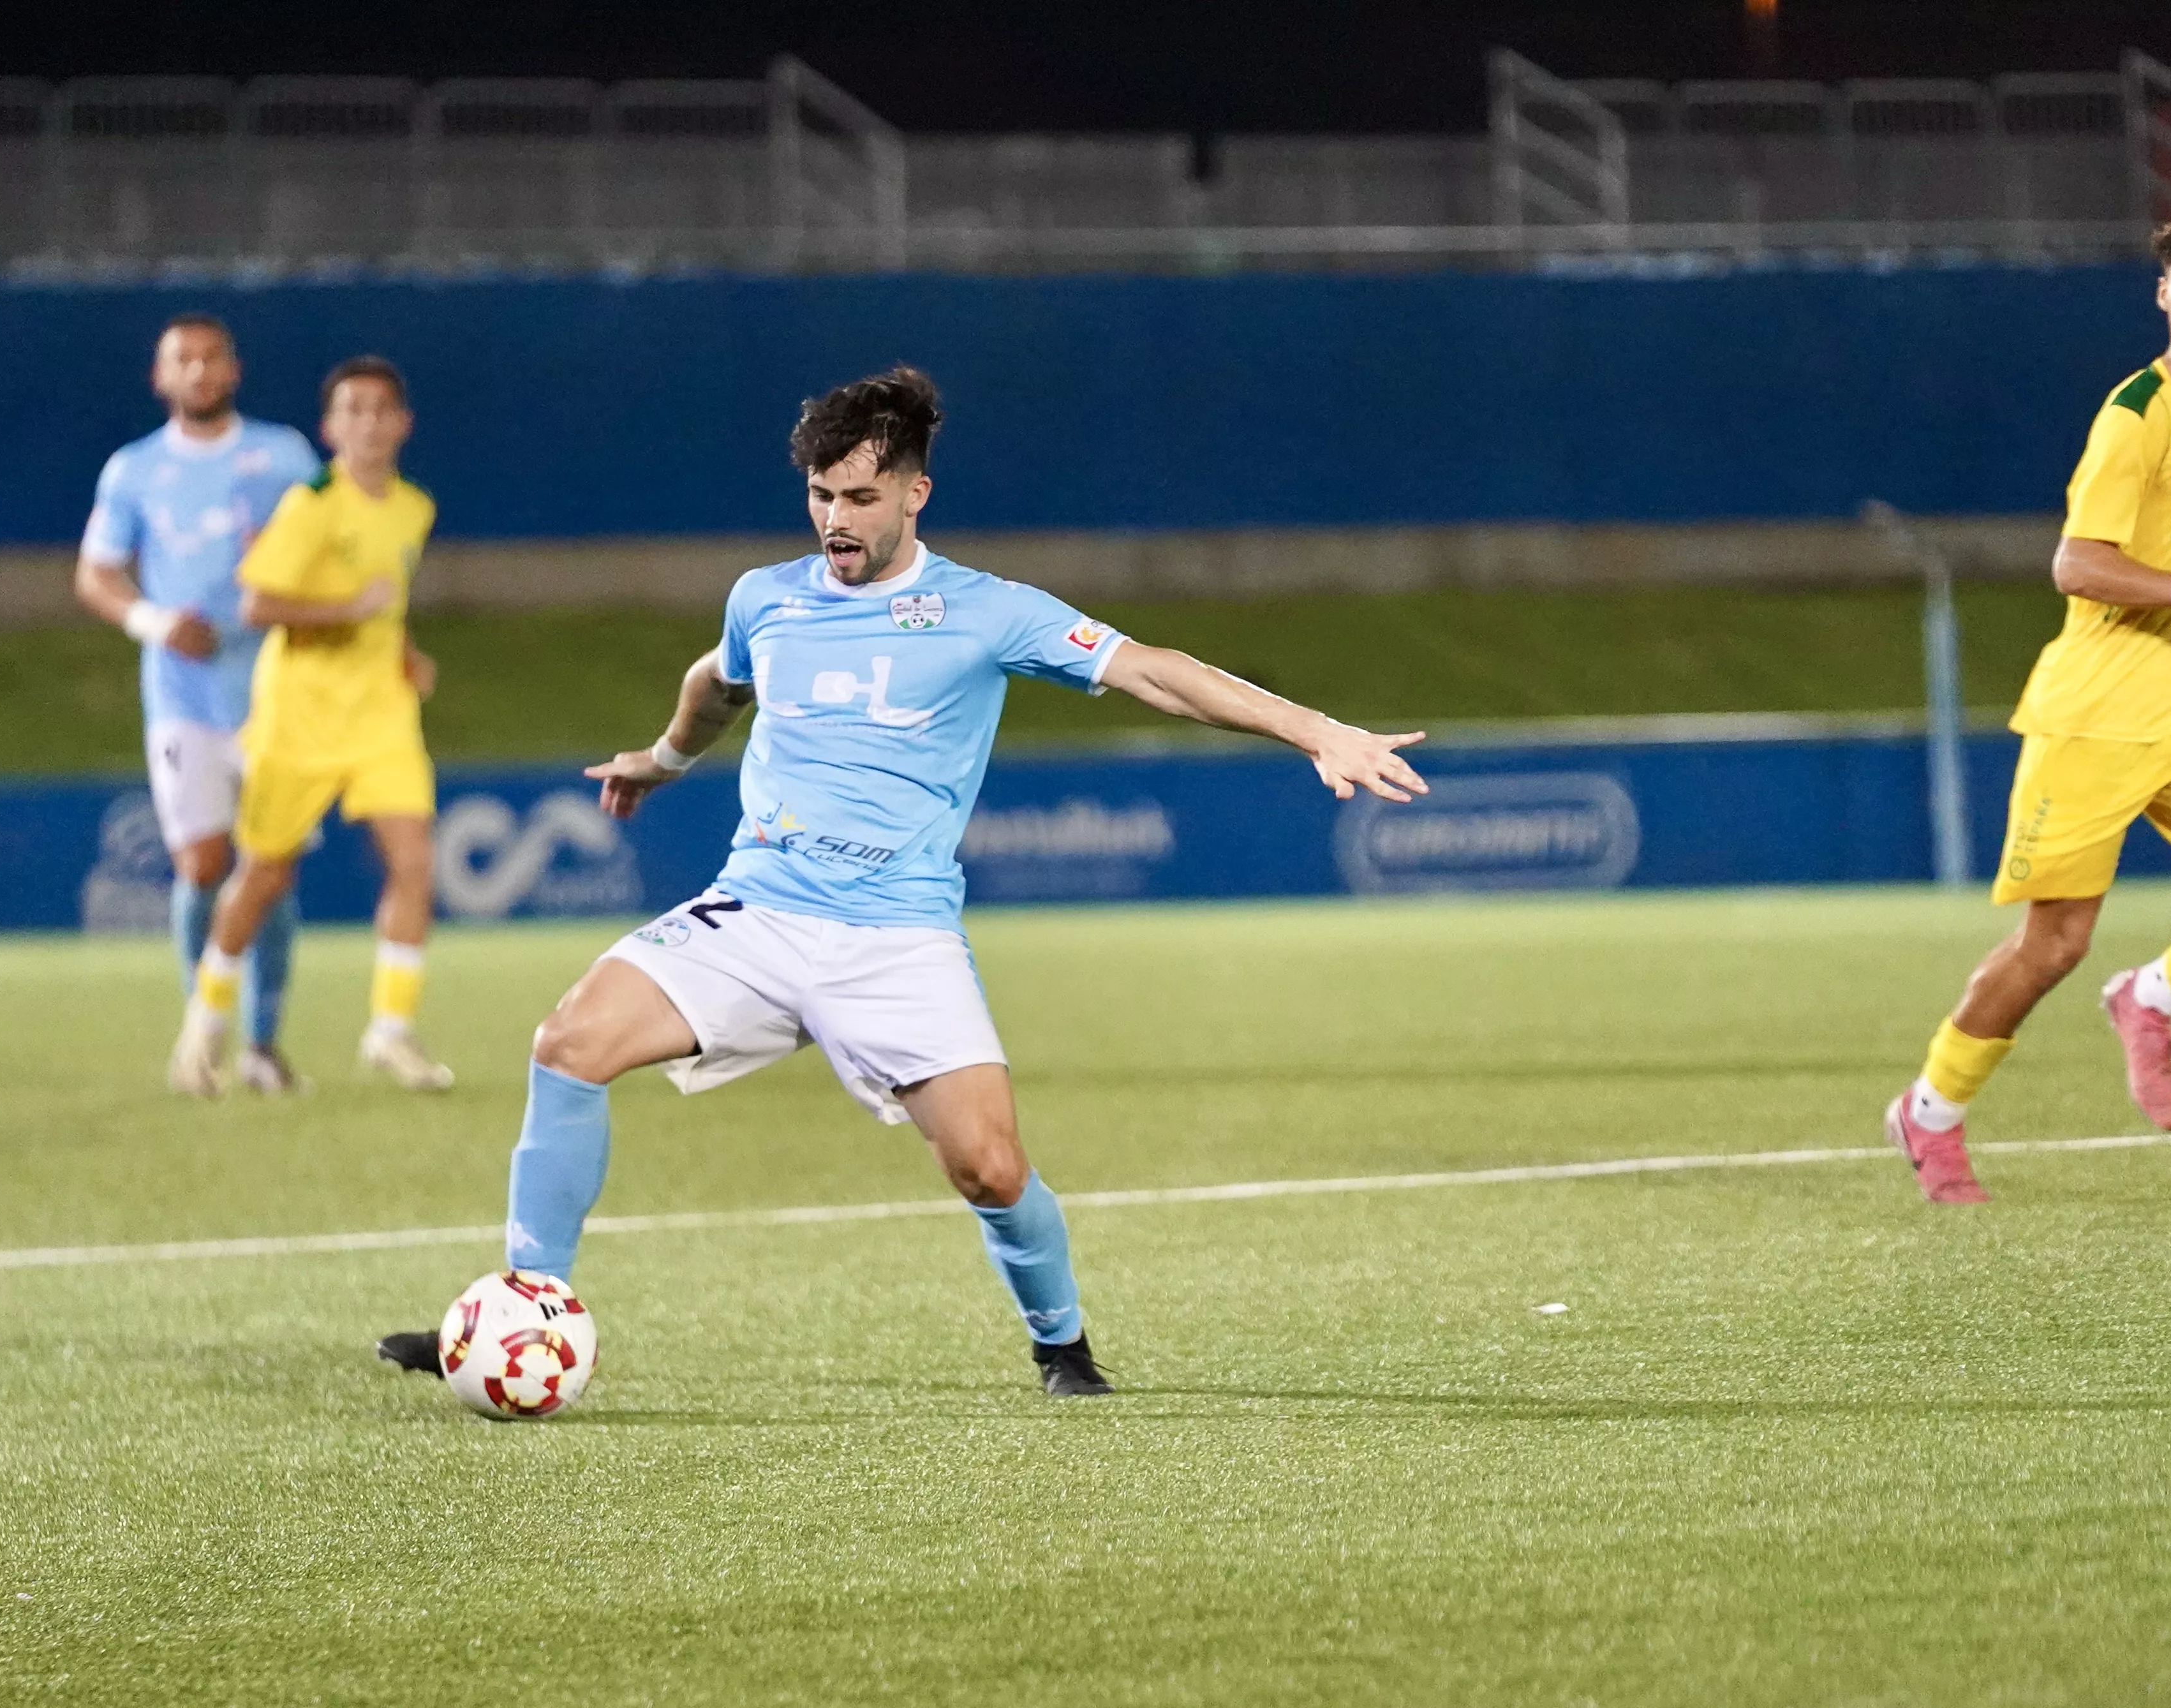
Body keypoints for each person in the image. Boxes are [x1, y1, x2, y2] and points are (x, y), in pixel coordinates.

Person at [376, 364, 1428, 1398]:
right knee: (567, 1043)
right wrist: (664, 759)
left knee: (989, 1168)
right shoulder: (768, 597)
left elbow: (1153, 666)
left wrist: (1313, 730)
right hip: (756, 912)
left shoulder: (986, 610)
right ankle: (525, 1310)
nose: (835, 518)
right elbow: (716, 682)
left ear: (915, 493)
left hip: (895, 939)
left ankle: (1062, 1346)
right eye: (821, 494)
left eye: (860, 497)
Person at [1885, 198, 2171, 1203]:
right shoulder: (2132, 416)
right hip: (2093, 713)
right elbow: (2075, 564)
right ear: (2161, 297)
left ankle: (2149, 996)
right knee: (2052, 943)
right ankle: (1928, 1113)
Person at [167, 356, 455, 1096]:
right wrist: (346, 611)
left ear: (403, 423)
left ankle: (390, 1030)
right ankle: (205, 1023)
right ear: (331, 428)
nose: (366, 422)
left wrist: (403, 652)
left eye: (379, 409)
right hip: (298, 720)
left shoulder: (413, 507)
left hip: (381, 718)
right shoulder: (310, 506)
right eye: (351, 410)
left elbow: (382, 609)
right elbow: (257, 605)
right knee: (263, 876)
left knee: (414, 861)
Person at [75, 315, 320, 1094]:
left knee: (270, 868)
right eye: (184, 359)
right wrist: (153, 621)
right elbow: (96, 574)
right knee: (202, 863)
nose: (200, 370)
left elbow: (329, 547)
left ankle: (263, 1044)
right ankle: (200, 1033)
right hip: (182, 695)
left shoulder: (284, 456)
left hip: (276, 692)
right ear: (161, 377)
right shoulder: (134, 470)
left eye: (212, 357)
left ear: (234, 369)